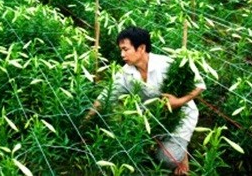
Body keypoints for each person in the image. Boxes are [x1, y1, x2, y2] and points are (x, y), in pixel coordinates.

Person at [84, 26, 206, 175]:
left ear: (141, 48)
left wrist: (179, 101)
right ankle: (170, 145)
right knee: (136, 148)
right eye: (120, 50)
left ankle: (182, 151)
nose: (122, 54)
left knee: (166, 160)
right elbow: (104, 98)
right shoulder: (125, 73)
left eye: (126, 49)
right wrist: (85, 121)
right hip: (154, 118)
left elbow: (200, 85)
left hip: (182, 116)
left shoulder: (166, 64)